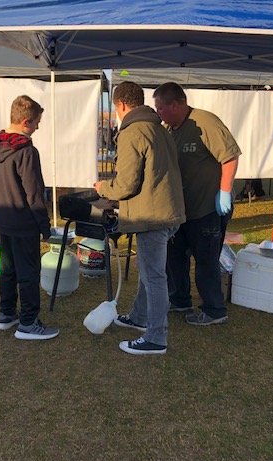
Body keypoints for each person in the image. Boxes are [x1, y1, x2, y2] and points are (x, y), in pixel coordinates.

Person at [95, 81, 185, 355]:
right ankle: (139, 317)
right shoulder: (158, 127)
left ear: (121, 105)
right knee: (150, 272)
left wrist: (103, 188)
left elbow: (126, 184)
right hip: (168, 212)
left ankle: (156, 338)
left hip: (152, 215)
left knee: (153, 276)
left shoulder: (133, 132)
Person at [153, 82, 240, 326]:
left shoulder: (205, 122)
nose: (158, 113)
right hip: (180, 210)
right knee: (175, 256)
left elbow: (230, 157)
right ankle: (180, 298)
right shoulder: (170, 129)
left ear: (175, 104)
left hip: (207, 209)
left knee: (205, 260)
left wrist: (224, 192)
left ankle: (214, 309)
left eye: (160, 109)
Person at [0, 95, 58, 340]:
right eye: (37, 122)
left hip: (3, 218)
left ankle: (7, 314)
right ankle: (28, 322)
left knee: (8, 269)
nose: (38, 127)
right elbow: (34, 192)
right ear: (27, 121)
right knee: (28, 273)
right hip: (24, 222)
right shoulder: (27, 151)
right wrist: (45, 226)